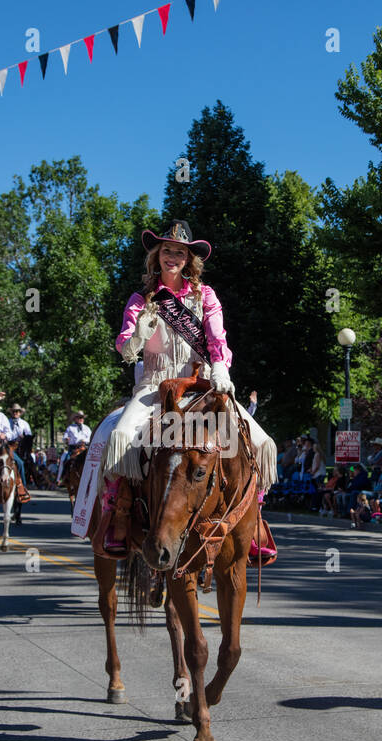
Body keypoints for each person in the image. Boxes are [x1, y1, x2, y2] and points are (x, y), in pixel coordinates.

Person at [97, 219, 277, 552]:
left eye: (179, 252)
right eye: (167, 250)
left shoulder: (204, 295)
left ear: (188, 259)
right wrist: (138, 332)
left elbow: (216, 335)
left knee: (262, 442)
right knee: (120, 437)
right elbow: (126, 350)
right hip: (155, 385)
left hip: (202, 382)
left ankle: (253, 522)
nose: (172, 257)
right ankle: (118, 514)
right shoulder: (141, 298)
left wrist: (220, 366)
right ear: (157, 254)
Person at [57, 412, 91, 482]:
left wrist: (85, 440)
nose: (81, 419)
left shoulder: (87, 428)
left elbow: (90, 438)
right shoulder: (70, 428)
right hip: (73, 448)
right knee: (65, 459)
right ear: (75, 419)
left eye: (82, 417)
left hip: (83, 448)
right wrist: (66, 439)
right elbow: (64, 437)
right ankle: (62, 478)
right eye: (79, 417)